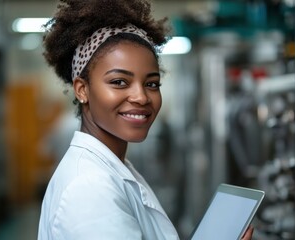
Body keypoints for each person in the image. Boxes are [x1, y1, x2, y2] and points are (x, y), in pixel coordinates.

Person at [37, 0, 254, 239]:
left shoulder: (111, 168)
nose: (141, 97)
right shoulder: (89, 189)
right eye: (119, 82)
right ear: (82, 89)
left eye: (151, 84)